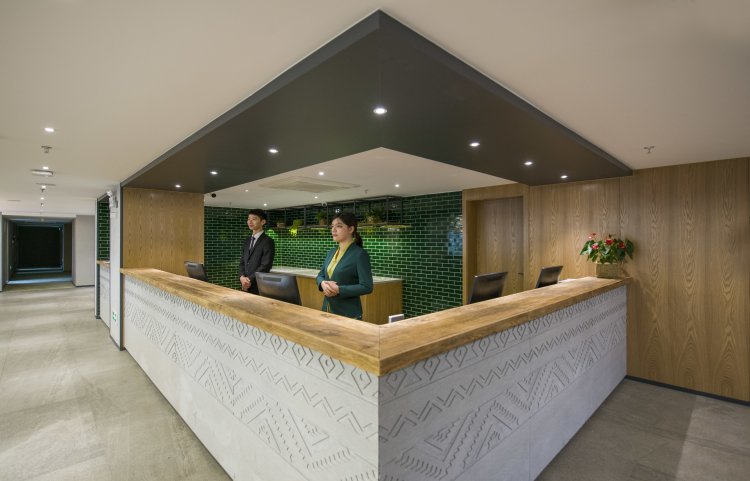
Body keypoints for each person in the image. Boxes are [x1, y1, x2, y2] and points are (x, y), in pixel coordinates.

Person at [316, 212, 373, 319]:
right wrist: (322, 283)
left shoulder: (360, 254)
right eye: (332, 226)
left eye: (339, 226)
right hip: (327, 311)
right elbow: (320, 275)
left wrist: (339, 289)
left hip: (348, 314)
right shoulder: (331, 252)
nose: (333, 230)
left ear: (351, 229)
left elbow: (367, 287)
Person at [238, 209, 275, 294]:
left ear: (263, 222)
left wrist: (249, 280)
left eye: (254, 219)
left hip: (258, 286)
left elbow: (266, 265)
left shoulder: (268, 241)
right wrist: (242, 277)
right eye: (248, 219)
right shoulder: (247, 241)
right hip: (244, 285)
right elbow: (242, 262)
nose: (250, 222)